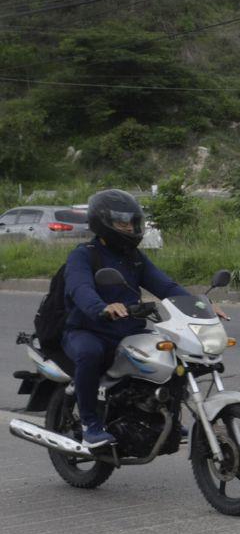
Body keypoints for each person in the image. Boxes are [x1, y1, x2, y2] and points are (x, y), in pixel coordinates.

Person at [63, 189, 197, 446]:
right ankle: (90, 424)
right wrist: (102, 307)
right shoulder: (84, 254)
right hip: (88, 330)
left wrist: (200, 305)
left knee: (171, 353)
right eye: (121, 223)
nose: (128, 227)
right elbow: (79, 288)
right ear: (103, 223)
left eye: (131, 222)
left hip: (127, 331)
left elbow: (166, 287)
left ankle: (168, 418)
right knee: (89, 354)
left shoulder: (134, 258)